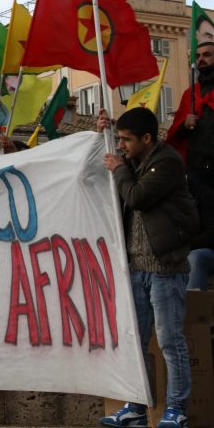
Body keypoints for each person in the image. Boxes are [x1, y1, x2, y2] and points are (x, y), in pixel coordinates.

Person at [97, 108, 198, 428]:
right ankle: (136, 407)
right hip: (136, 268)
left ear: (147, 138)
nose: (121, 146)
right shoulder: (134, 162)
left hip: (165, 269)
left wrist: (119, 167)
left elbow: (137, 196)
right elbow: (109, 175)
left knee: (169, 341)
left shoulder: (167, 161)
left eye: (126, 140)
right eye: (119, 139)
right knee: (135, 342)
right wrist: (104, 134)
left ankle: (177, 409)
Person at [166, 42, 214, 191]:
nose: (201, 59)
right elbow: (177, 135)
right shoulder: (190, 93)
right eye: (197, 56)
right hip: (197, 168)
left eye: (207, 55)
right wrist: (185, 125)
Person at [186, 179, 214, 290]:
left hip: (204, 249)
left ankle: (194, 300)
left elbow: (211, 232)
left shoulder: (203, 194)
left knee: (194, 258)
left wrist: (186, 247)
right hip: (173, 251)